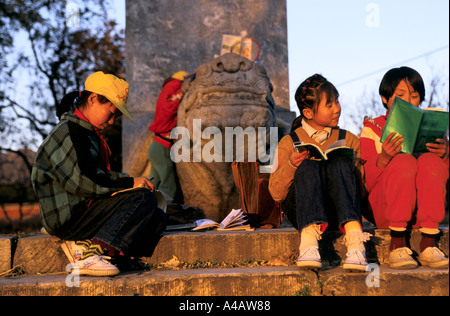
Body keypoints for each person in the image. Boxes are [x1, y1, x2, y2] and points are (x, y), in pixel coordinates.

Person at [31, 71, 166, 276]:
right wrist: (130, 182)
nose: (112, 121)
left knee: (157, 215)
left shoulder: (87, 133)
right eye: (112, 113)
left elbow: (94, 177)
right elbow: (84, 181)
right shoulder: (70, 132)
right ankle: (91, 253)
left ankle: (117, 256)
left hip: (86, 207)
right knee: (141, 199)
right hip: (70, 218)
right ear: (93, 99)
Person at [269, 74, 370, 271]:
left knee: (340, 163)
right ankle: (308, 245)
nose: (337, 108)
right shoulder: (289, 142)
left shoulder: (348, 139)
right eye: (329, 104)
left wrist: (354, 167)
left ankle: (356, 242)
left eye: (337, 101)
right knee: (307, 166)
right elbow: (276, 193)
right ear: (308, 112)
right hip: (302, 212)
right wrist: (291, 165)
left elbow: (363, 190)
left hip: (340, 210)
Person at [360, 66, 449, 269]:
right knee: (403, 161)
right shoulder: (371, 129)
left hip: (422, 214)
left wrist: (445, 155)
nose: (409, 101)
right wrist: (383, 158)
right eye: (400, 95)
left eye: (415, 96)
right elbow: (366, 184)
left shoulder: (432, 129)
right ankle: (397, 244)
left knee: (431, 161)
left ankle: (429, 242)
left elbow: (443, 178)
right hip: (386, 211)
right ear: (385, 98)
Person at [148, 71, 188, 201]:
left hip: (157, 146)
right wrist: (183, 93)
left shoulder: (167, 87)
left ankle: (147, 208)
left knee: (153, 184)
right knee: (168, 186)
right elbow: (169, 106)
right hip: (162, 148)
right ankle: (167, 211)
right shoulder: (174, 85)